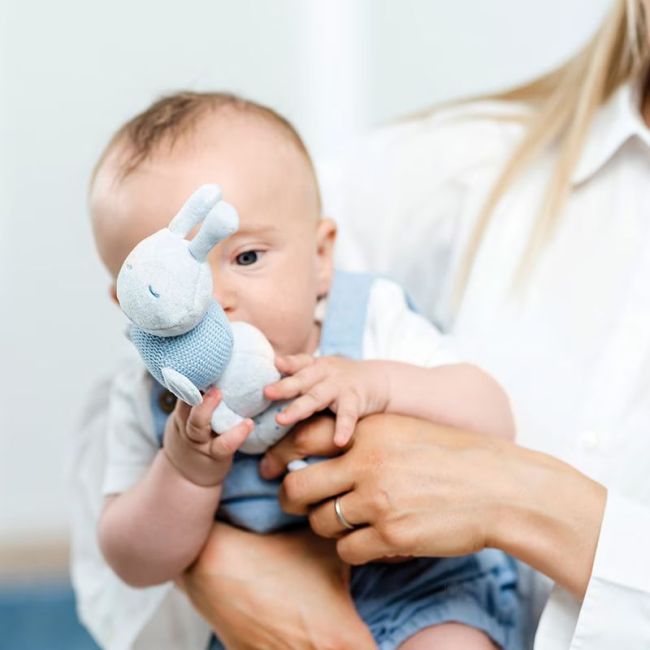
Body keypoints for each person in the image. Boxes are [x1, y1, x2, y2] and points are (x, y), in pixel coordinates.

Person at [166, 1, 650, 648]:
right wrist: (216, 563)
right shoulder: (469, 165)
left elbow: (491, 417)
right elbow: (152, 343)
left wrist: (518, 498)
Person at [77, 90, 522, 649]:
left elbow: (493, 419)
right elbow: (133, 562)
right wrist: (185, 470)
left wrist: (378, 383)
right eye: (170, 285)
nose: (214, 300)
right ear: (130, 306)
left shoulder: (369, 319)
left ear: (321, 258)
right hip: (259, 623)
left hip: (424, 591)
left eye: (246, 258)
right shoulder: (151, 393)